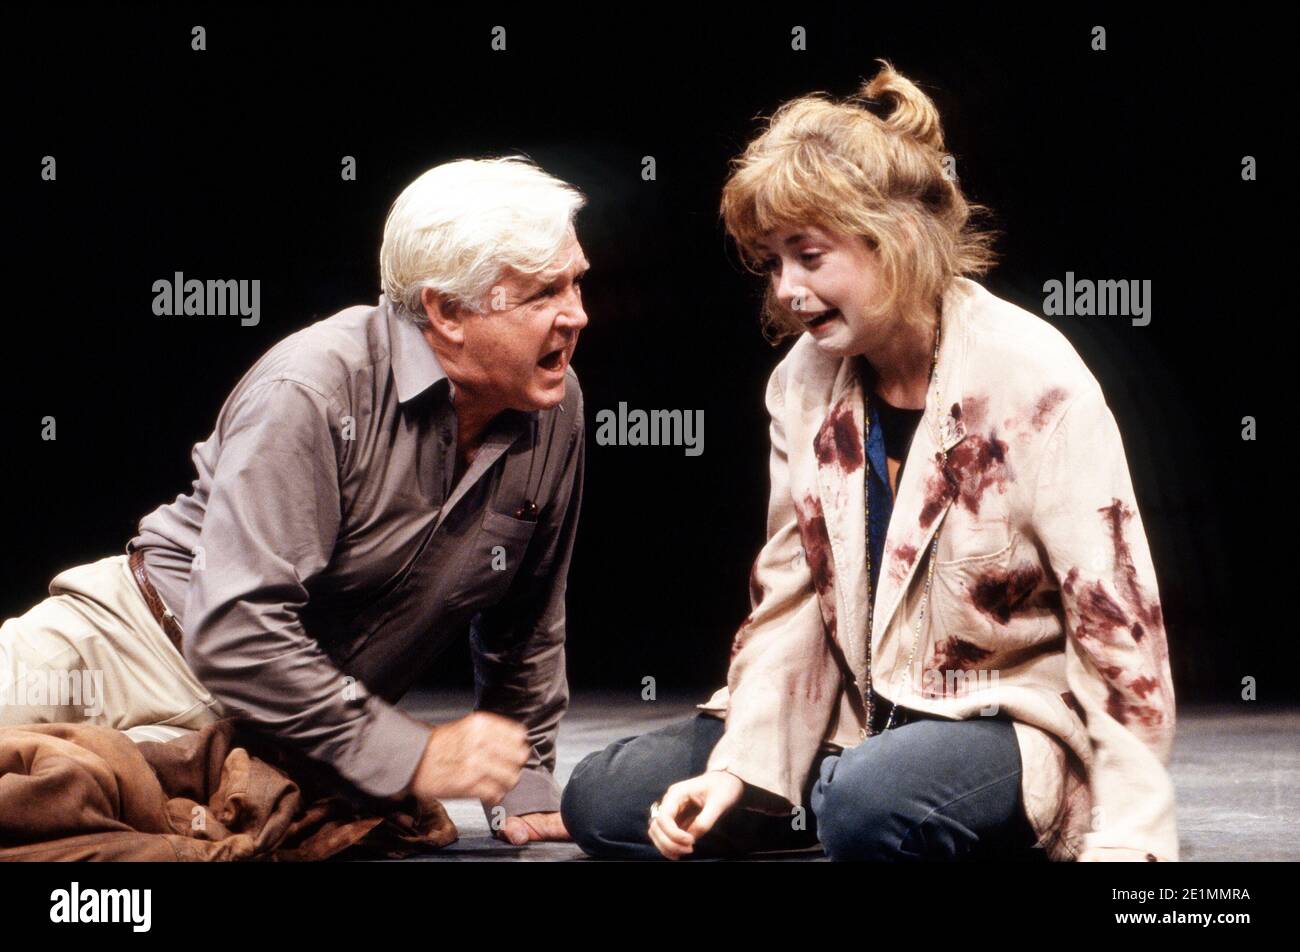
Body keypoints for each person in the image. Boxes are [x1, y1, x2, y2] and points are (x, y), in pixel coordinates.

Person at [562, 61, 1177, 861]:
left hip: (1000, 719)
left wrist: (1130, 840)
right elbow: (787, 598)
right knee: (604, 799)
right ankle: (824, 799)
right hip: (857, 718)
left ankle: (865, 803)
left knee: (870, 803)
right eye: (773, 262)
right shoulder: (802, 382)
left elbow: (1116, 620)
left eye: (808, 257)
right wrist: (740, 769)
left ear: (897, 240)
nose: (785, 289)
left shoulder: (1033, 378)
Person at [0, 156, 590, 846]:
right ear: (448, 311)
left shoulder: (554, 409)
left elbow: (528, 623)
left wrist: (524, 781)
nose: (577, 314)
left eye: (577, 282)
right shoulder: (317, 387)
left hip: (274, 740)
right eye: (544, 293)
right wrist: (411, 755)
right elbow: (237, 627)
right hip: (127, 651)